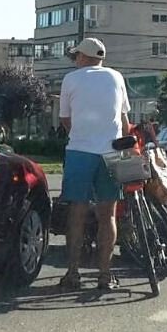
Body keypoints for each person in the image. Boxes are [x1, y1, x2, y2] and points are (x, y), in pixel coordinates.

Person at [58, 38, 131, 291]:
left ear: (82, 57)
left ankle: (73, 272)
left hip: (80, 151)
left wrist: (80, 133)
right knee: (107, 214)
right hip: (111, 153)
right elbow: (124, 120)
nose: (75, 59)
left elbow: (65, 119)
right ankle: (104, 274)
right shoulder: (116, 77)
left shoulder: (71, 79)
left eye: (76, 55)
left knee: (76, 212)